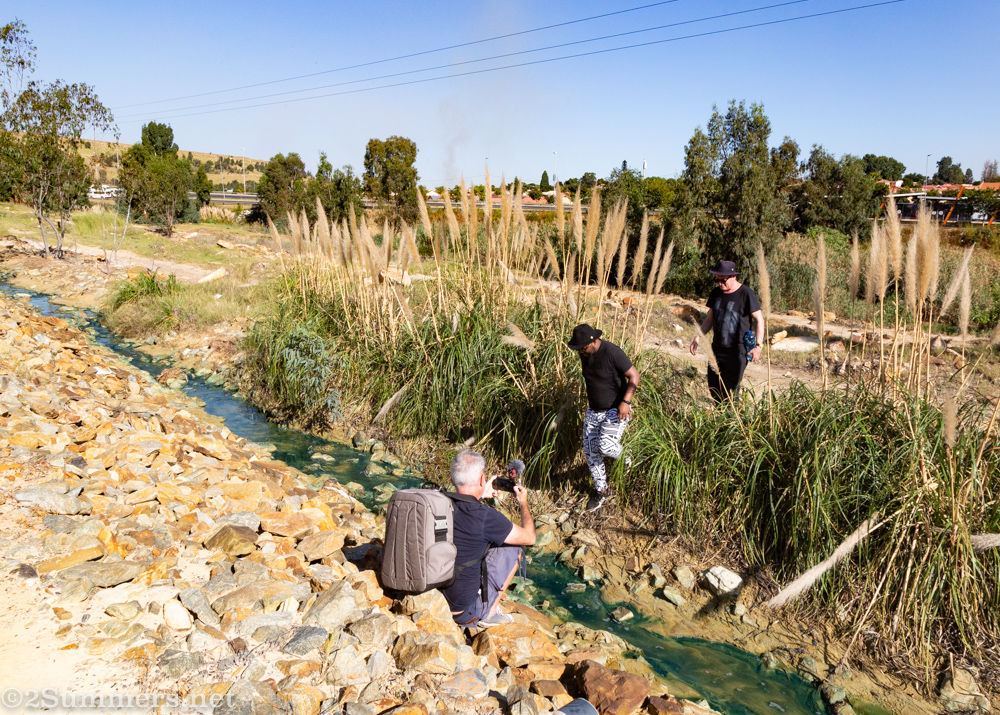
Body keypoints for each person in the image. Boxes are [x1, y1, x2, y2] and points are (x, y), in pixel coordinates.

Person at [442, 449, 536, 629]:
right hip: (464, 612)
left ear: (453, 479)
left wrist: (480, 494)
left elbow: (465, 503)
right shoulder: (485, 517)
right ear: (481, 479)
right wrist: (523, 502)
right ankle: (489, 613)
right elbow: (529, 537)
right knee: (515, 546)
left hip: (434, 593)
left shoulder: (440, 502)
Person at [567, 323, 640, 512]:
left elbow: (634, 375)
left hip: (616, 409)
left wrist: (626, 402)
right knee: (590, 451)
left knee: (605, 446)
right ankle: (602, 491)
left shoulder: (612, 352)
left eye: (582, 348)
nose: (580, 353)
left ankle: (626, 458)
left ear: (593, 342)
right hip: (593, 410)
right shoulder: (585, 354)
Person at [689, 260, 764, 402]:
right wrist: (698, 337)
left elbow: (759, 320)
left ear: (733, 277)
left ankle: (733, 419)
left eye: (723, 280)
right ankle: (721, 417)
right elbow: (709, 319)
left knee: (730, 391)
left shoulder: (746, 294)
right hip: (716, 350)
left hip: (737, 352)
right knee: (714, 388)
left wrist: (758, 346)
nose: (720, 284)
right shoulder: (716, 293)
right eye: (717, 280)